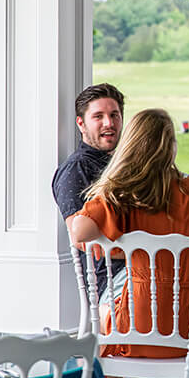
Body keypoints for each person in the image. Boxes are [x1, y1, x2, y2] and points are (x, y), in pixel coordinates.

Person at [70, 108, 189, 378]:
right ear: (171, 146)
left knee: (110, 318)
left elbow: (79, 232)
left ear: (130, 145)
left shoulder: (124, 195)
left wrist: (116, 234)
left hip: (138, 327)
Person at [52, 82, 125, 294]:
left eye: (115, 115)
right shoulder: (77, 169)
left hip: (140, 271)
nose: (108, 123)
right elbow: (82, 239)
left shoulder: (121, 166)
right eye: (98, 116)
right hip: (112, 282)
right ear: (81, 124)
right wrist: (142, 250)